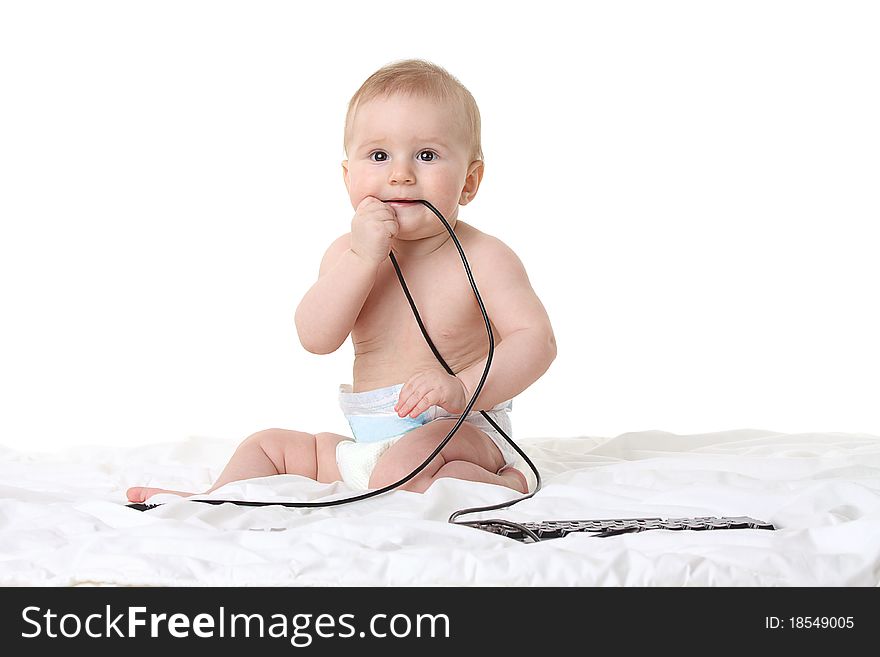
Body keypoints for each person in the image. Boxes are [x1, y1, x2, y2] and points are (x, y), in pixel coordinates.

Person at [127, 59, 556, 503]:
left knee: (407, 467)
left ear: (469, 181)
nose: (400, 174)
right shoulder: (346, 254)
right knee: (266, 445)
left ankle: (506, 480)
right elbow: (316, 337)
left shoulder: (485, 257)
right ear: (349, 177)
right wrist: (362, 257)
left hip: (458, 432)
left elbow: (536, 340)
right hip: (369, 444)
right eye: (378, 156)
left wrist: (462, 387)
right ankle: (213, 499)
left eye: (426, 156)